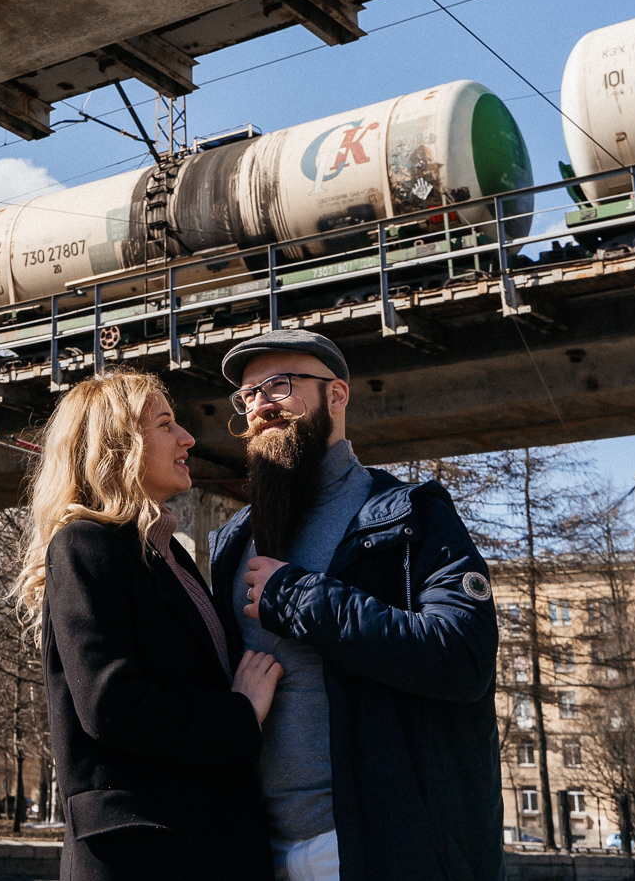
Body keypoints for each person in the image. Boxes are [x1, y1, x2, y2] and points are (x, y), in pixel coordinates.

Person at [206, 329, 500, 881]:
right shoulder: (230, 545)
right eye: (247, 396)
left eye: (279, 385)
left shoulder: (410, 519)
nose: (260, 406)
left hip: (375, 847)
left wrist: (297, 596)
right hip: (252, 848)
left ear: (336, 396)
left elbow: (463, 656)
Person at [16, 369, 280, 881]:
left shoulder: (167, 560)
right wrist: (238, 712)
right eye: (166, 424)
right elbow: (111, 704)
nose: (188, 438)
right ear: (118, 449)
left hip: (195, 844)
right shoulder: (84, 546)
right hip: (140, 854)